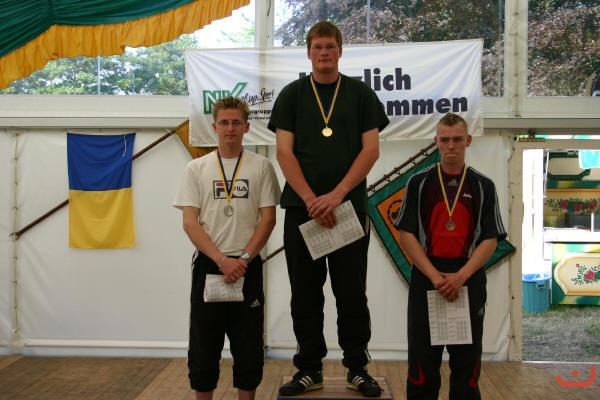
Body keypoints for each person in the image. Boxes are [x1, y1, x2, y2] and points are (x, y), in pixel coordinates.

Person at [268, 20, 389, 398]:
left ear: (340, 51)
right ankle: (309, 369)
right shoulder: (291, 95)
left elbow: (371, 151)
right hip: (302, 210)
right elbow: (283, 153)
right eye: (317, 46)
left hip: (348, 209)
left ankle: (357, 368)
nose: (323, 52)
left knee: (351, 292)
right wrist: (310, 199)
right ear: (308, 52)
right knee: (305, 294)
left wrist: (336, 195)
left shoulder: (360, 94)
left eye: (329, 46)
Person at [173, 96, 281, 400]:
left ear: (246, 127)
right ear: (214, 127)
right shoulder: (196, 168)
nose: (230, 128)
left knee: (248, 346)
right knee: (204, 346)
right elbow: (190, 223)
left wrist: (243, 259)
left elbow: (268, 219)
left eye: (236, 123)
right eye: (224, 122)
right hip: (210, 265)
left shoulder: (262, 167)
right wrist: (222, 260)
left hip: (247, 265)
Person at [394, 112, 507, 400]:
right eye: (445, 140)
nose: (451, 146)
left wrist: (461, 277)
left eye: (457, 139)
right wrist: (435, 277)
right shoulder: (418, 182)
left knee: (466, 367)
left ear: (468, 140)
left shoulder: (483, 185)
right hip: (427, 278)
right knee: (422, 365)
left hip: (467, 279)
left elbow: (491, 238)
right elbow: (406, 234)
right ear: (436, 142)